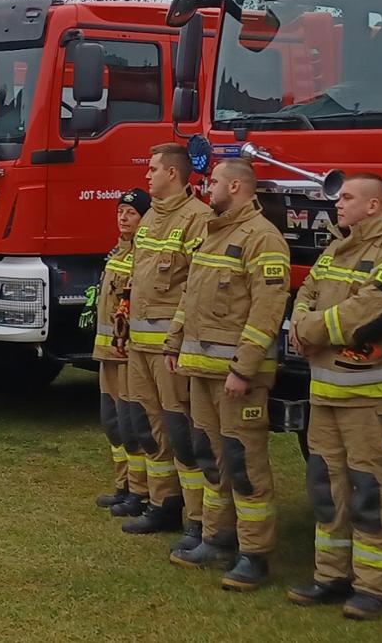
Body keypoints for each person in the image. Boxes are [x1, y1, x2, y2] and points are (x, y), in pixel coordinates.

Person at [284, 174, 382, 619]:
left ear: (374, 205)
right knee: (327, 488)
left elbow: (366, 315)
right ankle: (330, 575)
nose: (337, 204)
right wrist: (302, 321)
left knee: (371, 492)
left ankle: (374, 587)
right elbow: (307, 291)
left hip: (370, 402)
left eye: (348, 197)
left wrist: (308, 329)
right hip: (325, 395)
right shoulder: (336, 248)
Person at [161, 158, 290, 591]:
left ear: (235, 187)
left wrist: (244, 368)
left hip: (236, 379)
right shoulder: (211, 233)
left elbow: (267, 311)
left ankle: (254, 554)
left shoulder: (263, 239)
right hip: (201, 371)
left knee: (243, 464)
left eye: (213, 181)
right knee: (211, 459)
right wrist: (174, 342)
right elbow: (190, 297)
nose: (206, 187)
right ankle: (217, 539)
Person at [121, 143, 214, 538]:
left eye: (153, 169)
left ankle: (198, 518)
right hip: (139, 346)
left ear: (172, 173)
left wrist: (176, 342)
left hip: (169, 350)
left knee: (182, 433)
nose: (147, 175)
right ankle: (163, 505)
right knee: (149, 428)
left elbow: (197, 286)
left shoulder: (198, 219)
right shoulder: (149, 218)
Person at [93, 188, 151, 515]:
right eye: (120, 212)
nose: (123, 218)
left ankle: (139, 491)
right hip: (106, 355)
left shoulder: (142, 256)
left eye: (131, 213)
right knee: (112, 422)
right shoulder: (116, 252)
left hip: (127, 355)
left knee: (132, 426)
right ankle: (122, 484)